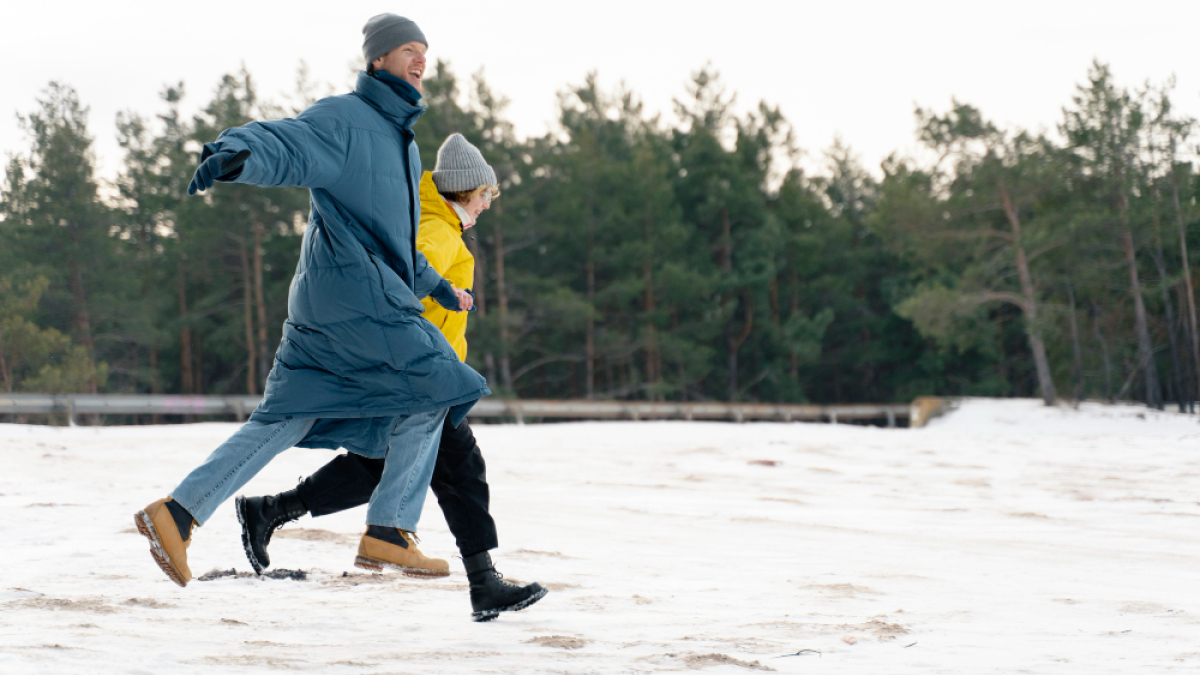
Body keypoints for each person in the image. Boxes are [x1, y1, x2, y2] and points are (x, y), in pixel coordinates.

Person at [134, 14, 490, 588]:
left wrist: (440, 287)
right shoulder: (347, 119)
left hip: (328, 309)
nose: (419, 60)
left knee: (283, 419)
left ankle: (176, 514)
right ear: (378, 59)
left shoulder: (402, 142)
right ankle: (390, 530)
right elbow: (287, 142)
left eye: (424, 50)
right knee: (438, 387)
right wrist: (235, 154)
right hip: (361, 303)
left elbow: (394, 242)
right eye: (406, 50)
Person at [237, 134, 547, 622]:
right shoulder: (437, 233)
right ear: (465, 192)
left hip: (419, 377)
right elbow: (401, 282)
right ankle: (484, 582)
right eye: (486, 194)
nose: (488, 204)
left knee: (380, 467)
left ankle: (271, 510)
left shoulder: (435, 223)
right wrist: (419, 346)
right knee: (462, 471)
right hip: (422, 379)